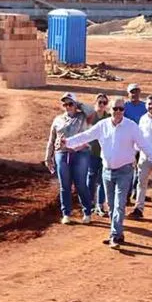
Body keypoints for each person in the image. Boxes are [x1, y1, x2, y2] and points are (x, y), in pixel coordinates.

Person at [63, 98, 152, 249]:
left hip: (125, 171)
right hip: (107, 172)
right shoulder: (102, 125)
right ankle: (117, 232)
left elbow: (144, 144)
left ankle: (115, 236)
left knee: (119, 204)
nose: (118, 112)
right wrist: (68, 142)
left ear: (124, 110)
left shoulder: (131, 126)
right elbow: (86, 136)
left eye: (121, 109)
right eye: (115, 109)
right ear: (110, 110)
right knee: (110, 205)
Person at [44, 92, 94, 225]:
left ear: (75, 104)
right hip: (62, 153)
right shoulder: (58, 119)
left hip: (80, 153)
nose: (67, 106)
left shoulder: (83, 117)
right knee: (64, 185)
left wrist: (79, 105)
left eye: (70, 103)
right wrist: (48, 157)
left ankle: (87, 212)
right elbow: (51, 139)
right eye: (65, 104)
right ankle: (66, 213)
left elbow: (92, 111)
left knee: (80, 184)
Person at [86, 93, 111, 217]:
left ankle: (100, 205)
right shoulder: (90, 117)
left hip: (104, 153)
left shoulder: (109, 117)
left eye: (104, 103)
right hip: (91, 152)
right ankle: (89, 204)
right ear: (95, 103)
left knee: (102, 180)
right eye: (99, 102)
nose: (102, 105)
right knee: (90, 178)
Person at [123, 82, 147, 201]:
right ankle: (126, 195)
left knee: (140, 168)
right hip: (127, 142)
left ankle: (136, 192)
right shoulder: (124, 106)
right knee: (128, 168)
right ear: (128, 94)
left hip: (141, 141)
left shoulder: (145, 106)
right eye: (132, 92)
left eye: (136, 91)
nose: (134, 94)